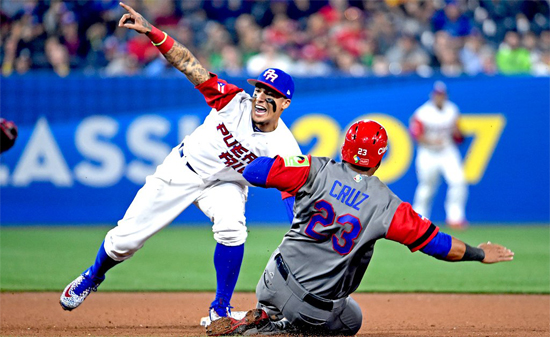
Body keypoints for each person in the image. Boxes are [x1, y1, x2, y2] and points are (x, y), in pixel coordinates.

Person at [59, 2, 302, 322]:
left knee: (232, 229)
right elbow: (189, 65)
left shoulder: (285, 145)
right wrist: (152, 32)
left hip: (226, 183)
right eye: (258, 88)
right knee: (124, 242)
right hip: (183, 169)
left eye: (269, 92)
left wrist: (302, 235)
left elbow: (292, 193)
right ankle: (93, 276)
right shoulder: (233, 102)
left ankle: (220, 310)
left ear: (284, 103)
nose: (260, 96)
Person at [205, 119, 514, 336]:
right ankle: (282, 331)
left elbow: (254, 172)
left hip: (271, 280)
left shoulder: (314, 168)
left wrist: (291, 165)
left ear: (345, 147)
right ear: (379, 159)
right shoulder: (387, 205)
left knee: (287, 263)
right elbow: (439, 246)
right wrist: (478, 253)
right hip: (314, 310)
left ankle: (266, 313)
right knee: (352, 319)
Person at [410, 81, 468, 229]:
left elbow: (458, 134)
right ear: (432, 96)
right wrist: (431, 142)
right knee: (427, 186)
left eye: (442, 95)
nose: (439, 97)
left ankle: (455, 217)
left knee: (458, 181)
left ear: (445, 96)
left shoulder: (452, 110)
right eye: (437, 95)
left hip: (447, 151)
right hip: (428, 153)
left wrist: (458, 134)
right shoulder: (423, 113)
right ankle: (419, 219)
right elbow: (416, 135)